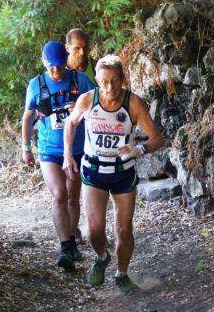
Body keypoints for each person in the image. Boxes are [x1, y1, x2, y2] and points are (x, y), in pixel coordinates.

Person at [63, 55, 164, 294]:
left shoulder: (133, 104)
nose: (110, 87)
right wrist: (67, 155)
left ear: (123, 80)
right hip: (94, 171)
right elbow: (70, 124)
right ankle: (101, 256)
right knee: (94, 230)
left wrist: (138, 149)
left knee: (124, 228)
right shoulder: (88, 100)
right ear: (97, 81)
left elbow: (158, 139)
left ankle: (122, 274)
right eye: (105, 81)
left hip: (122, 173)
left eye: (115, 81)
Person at [21, 41, 95, 271]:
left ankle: (72, 240)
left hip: (77, 148)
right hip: (49, 150)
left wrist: (81, 108)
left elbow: (99, 106)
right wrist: (25, 148)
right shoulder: (36, 85)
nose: (56, 71)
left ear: (66, 61)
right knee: (59, 195)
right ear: (44, 63)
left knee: (73, 197)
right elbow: (28, 117)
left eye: (60, 66)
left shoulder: (80, 80)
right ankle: (64, 247)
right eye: (52, 67)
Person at [65, 28, 95, 245]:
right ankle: (72, 229)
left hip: (94, 136)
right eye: (77, 48)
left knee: (93, 185)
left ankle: (92, 227)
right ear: (68, 48)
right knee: (70, 189)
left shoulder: (95, 67)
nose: (82, 52)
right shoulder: (58, 69)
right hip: (70, 137)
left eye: (85, 47)